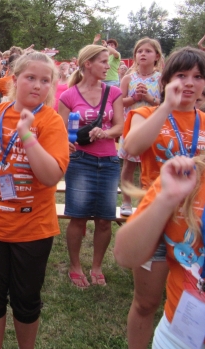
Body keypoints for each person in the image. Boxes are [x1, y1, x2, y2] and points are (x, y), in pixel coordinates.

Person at [115, 67, 205, 348]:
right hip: (179, 336)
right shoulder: (190, 177)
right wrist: (165, 200)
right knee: (145, 303)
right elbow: (125, 255)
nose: (189, 83)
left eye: (198, 77)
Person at [0, 51, 69, 349]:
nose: (37, 85)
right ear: (15, 79)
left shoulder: (51, 121)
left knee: (26, 300)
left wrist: (26, 135)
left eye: (45, 80)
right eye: (30, 78)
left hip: (33, 229)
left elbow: (50, 176)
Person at [58, 44, 123, 288]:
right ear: (88, 64)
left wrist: (106, 133)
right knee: (78, 217)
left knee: (105, 219)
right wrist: (65, 141)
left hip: (108, 161)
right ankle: (75, 266)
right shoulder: (68, 95)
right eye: (103, 62)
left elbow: (120, 126)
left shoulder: (113, 92)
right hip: (80, 161)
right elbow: (60, 129)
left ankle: (97, 267)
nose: (108, 66)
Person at [118, 38, 163, 216]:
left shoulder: (161, 79)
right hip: (132, 128)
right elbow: (119, 102)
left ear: (157, 56)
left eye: (148, 51)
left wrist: (150, 99)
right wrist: (134, 98)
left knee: (151, 167)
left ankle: (147, 202)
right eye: (139, 51)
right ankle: (126, 202)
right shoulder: (128, 78)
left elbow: (166, 103)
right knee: (128, 166)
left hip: (154, 128)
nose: (143, 54)